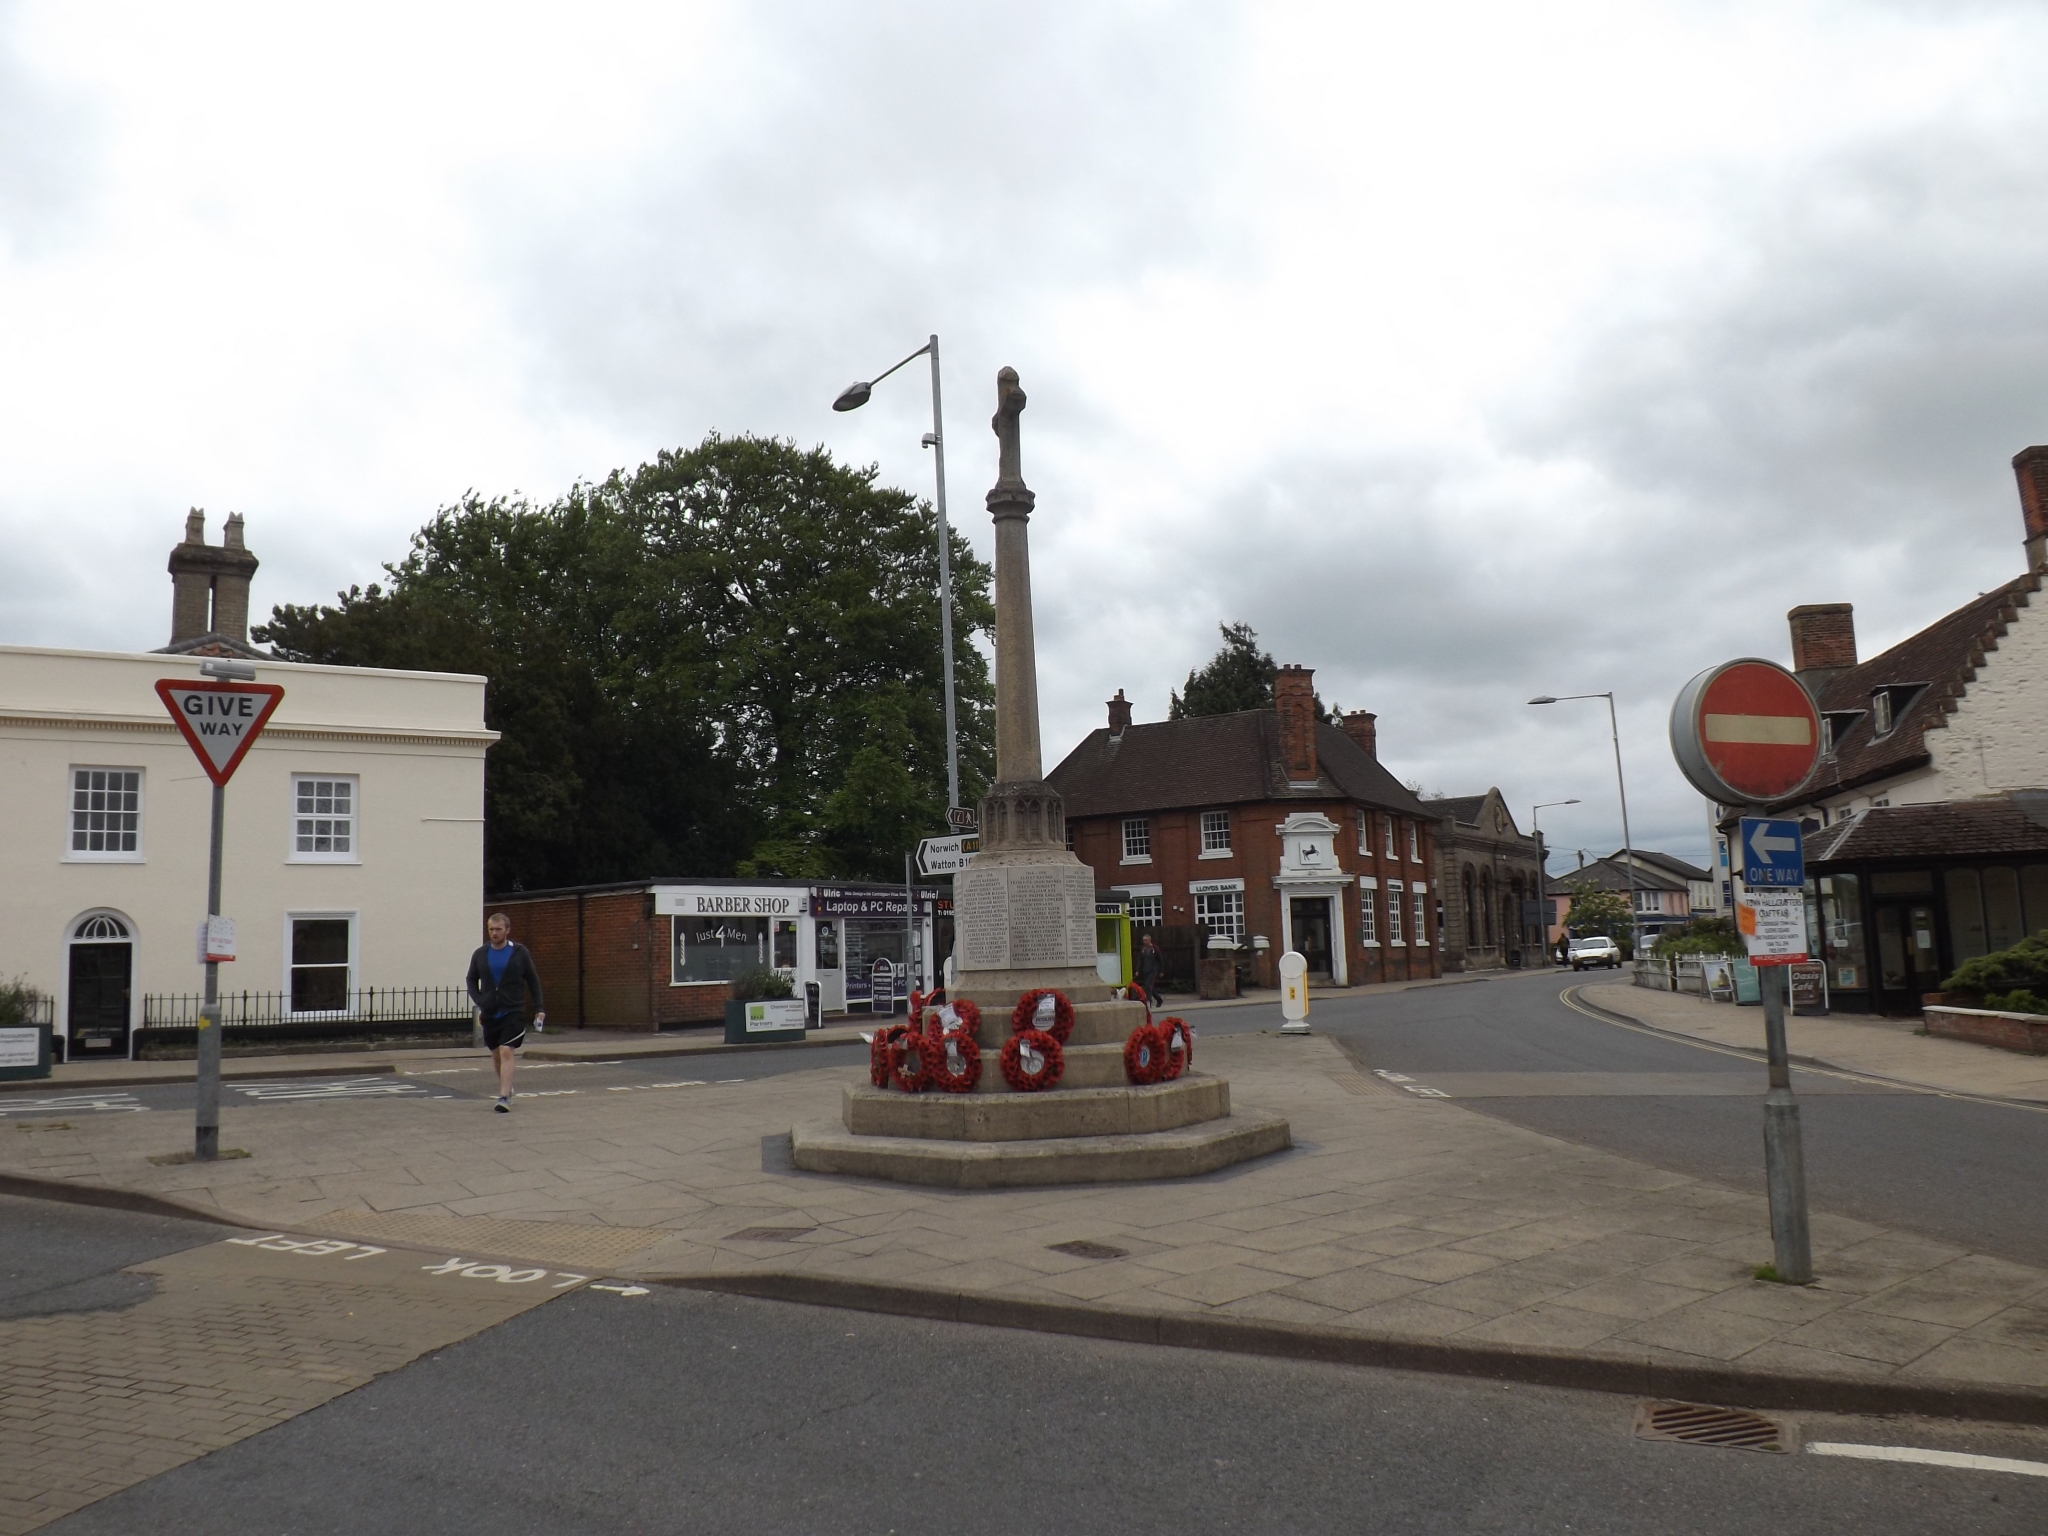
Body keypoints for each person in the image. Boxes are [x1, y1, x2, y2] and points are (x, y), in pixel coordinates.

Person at [466, 912, 545, 1112]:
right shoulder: (480, 954)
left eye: (498, 929)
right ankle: (508, 1088)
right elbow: (471, 979)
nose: (494, 933)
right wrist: (481, 1000)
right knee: (496, 1056)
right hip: (490, 1012)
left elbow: (533, 981)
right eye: (491, 929)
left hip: (513, 1010)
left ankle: (503, 1097)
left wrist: (539, 1009)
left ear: (507, 930)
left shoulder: (519, 952)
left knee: (506, 1050)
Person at [1135, 931, 1166, 1007]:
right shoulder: (1143, 949)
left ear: (1149, 940)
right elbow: (1140, 960)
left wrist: (1161, 970)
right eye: (1143, 940)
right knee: (1149, 987)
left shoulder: (1155, 949)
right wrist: (1138, 970)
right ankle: (1159, 999)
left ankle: (1149, 1002)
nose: (1144, 942)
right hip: (1145, 970)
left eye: (1146, 940)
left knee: (1148, 985)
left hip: (1153, 970)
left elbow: (1160, 960)